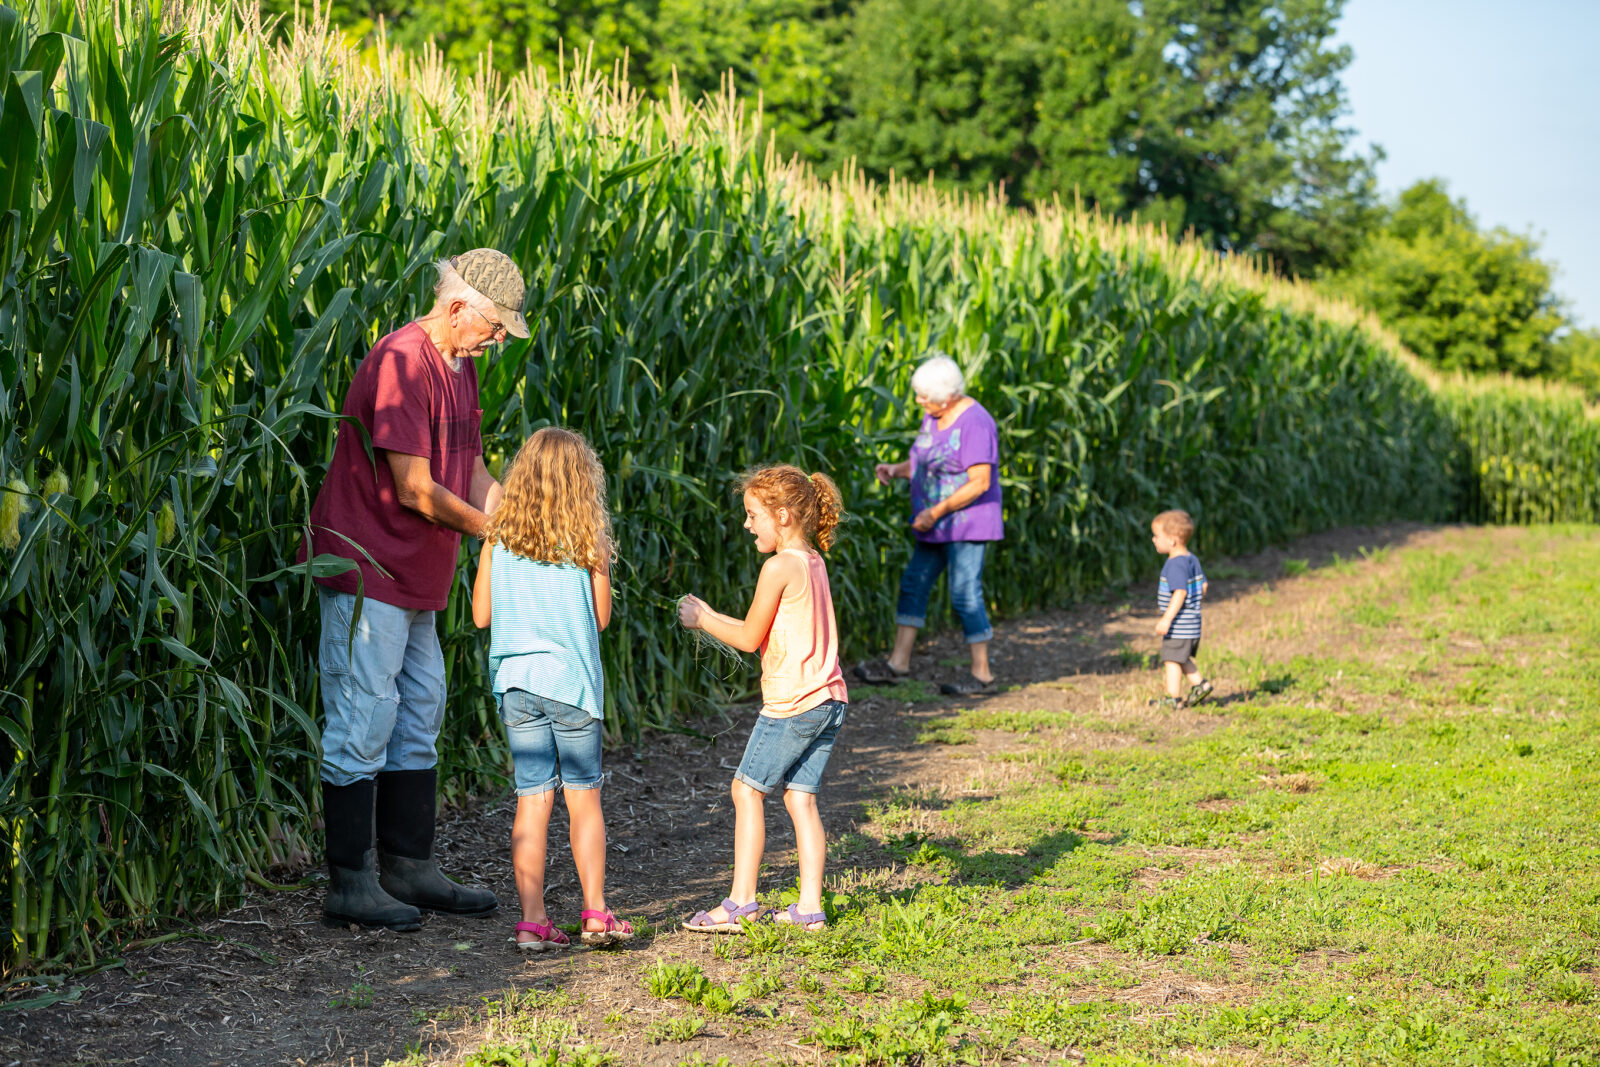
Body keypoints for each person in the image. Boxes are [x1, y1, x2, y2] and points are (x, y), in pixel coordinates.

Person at [301, 249, 529, 930]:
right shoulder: (403, 362)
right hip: (368, 569)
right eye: (493, 327)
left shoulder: (459, 368)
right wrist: (493, 531)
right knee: (363, 715)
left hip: (419, 575)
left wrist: (521, 519)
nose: (496, 341)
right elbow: (415, 487)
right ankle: (350, 881)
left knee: (420, 711)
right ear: (459, 307)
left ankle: (409, 865)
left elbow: (474, 467)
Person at [471, 427, 633, 950]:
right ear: (582, 481)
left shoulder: (499, 539)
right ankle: (594, 914)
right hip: (573, 686)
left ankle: (532, 922)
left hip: (518, 685)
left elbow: (480, 615)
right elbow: (602, 618)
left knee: (531, 801)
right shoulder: (589, 541)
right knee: (584, 801)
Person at [677, 466, 849, 933]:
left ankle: (740, 902)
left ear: (784, 515)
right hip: (830, 698)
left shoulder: (778, 567)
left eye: (754, 515)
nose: (748, 525)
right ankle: (810, 909)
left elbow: (751, 637)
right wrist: (714, 615)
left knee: (746, 789)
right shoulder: (813, 560)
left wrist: (702, 618)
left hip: (795, 703)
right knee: (801, 799)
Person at [855, 354, 1003, 696]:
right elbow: (924, 459)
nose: (920, 402)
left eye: (926, 397)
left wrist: (935, 512)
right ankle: (898, 664)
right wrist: (896, 469)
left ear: (949, 395)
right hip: (932, 524)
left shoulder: (976, 422)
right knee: (914, 584)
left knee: (965, 594)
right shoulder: (932, 416)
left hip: (966, 525)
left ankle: (982, 676)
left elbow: (980, 481)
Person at [1151, 509, 1215, 709]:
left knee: (1171, 659)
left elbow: (1180, 593)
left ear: (1173, 540)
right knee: (1181, 657)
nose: (1153, 540)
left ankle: (1173, 698)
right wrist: (1195, 606)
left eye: (1157, 536)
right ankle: (1200, 685)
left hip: (1179, 624)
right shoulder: (1191, 559)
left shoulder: (1175, 564)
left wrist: (1167, 619)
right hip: (1192, 622)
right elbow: (1203, 586)